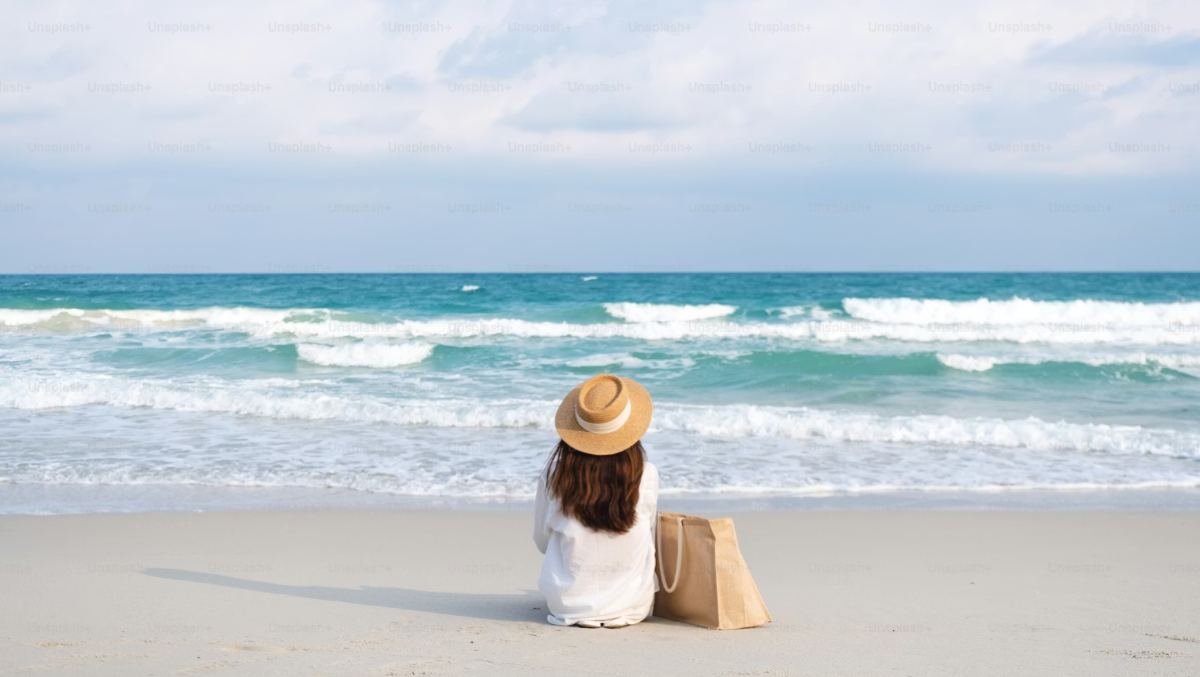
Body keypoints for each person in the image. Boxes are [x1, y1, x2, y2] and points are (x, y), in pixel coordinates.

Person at [533, 374, 659, 628]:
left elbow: (542, 542)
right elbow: (649, 534)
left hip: (567, 604)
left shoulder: (554, 474)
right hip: (631, 604)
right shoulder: (646, 473)